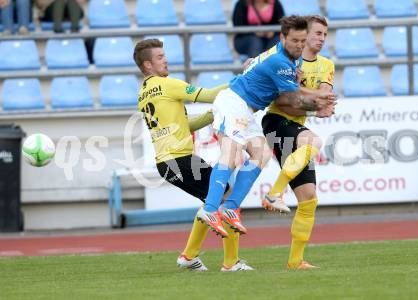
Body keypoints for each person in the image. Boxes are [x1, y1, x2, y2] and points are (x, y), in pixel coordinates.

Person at [196, 15, 336, 238]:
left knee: (260, 154)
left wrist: (318, 98)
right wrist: (319, 103)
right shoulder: (280, 62)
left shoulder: (292, 59)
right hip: (234, 102)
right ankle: (210, 209)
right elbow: (293, 99)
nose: (300, 45)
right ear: (282, 37)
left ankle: (230, 207)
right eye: (295, 41)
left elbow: (295, 88)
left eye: (303, 41)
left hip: (247, 110)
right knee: (230, 155)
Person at [133, 39, 253, 272]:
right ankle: (230, 263)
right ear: (147, 65)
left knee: (211, 202)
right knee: (226, 197)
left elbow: (184, 124)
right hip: (179, 159)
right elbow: (208, 94)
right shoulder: (165, 84)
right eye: (159, 57)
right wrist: (242, 78)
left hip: (167, 162)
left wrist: (212, 114)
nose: (165, 59)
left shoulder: (144, 93)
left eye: (164, 55)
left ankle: (189, 256)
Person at [262, 15, 336, 270]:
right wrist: (315, 104)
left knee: (309, 199)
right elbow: (284, 102)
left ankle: (295, 261)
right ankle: (273, 193)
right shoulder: (285, 61)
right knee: (314, 141)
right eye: (317, 33)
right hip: (276, 121)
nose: (321, 39)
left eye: (324, 35)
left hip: (297, 124)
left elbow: (324, 97)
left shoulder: (326, 65)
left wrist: (322, 106)